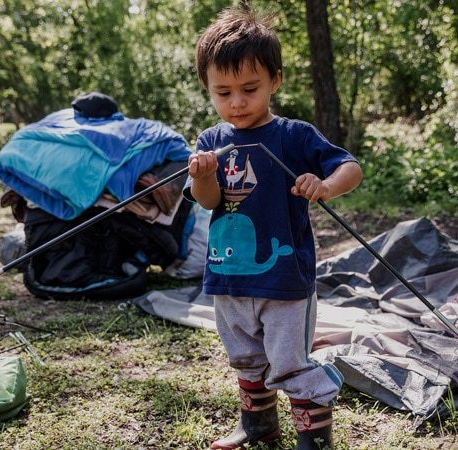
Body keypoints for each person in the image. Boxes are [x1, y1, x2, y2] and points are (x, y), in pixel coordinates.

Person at [186, 5, 363, 449]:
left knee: (288, 362)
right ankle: (259, 426)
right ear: (207, 88)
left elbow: (350, 168)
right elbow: (209, 201)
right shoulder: (211, 141)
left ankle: (315, 441)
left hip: (284, 278)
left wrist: (324, 185)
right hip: (229, 277)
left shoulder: (293, 135)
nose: (237, 102)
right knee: (245, 357)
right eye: (223, 92)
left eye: (250, 89)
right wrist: (202, 174)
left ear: (275, 81)